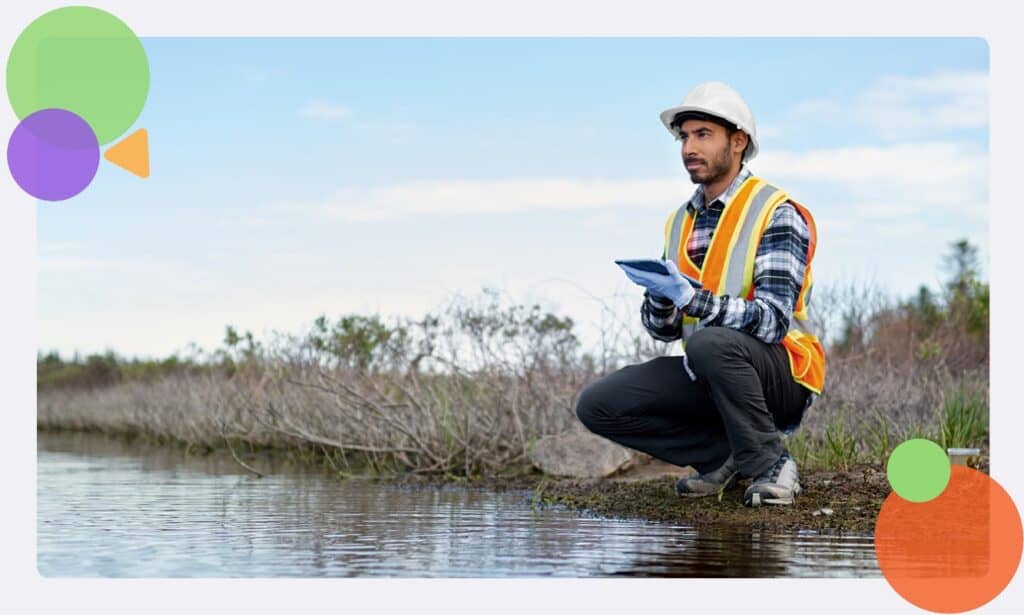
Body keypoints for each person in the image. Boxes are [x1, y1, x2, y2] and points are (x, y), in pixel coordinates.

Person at [575, 81, 826, 507]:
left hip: (781, 375)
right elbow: (664, 330)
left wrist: (693, 300)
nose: (689, 147)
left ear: (738, 141)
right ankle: (724, 457)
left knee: (711, 343)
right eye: (685, 136)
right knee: (599, 404)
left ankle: (772, 464)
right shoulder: (679, 223)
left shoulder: (776, 212)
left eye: (703, 135)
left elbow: (772, 319)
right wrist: (660, 295)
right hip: (708, 370)